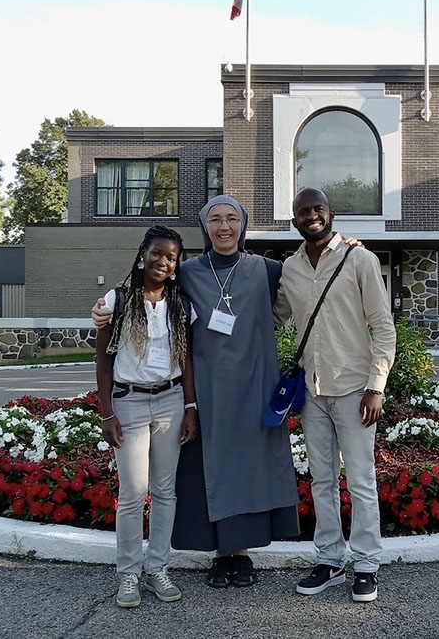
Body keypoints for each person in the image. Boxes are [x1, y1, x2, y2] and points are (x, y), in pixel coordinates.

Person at [93, 195, 300, 589]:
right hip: (202, 390)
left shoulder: (265, 269)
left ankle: (242, 554)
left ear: (243, 225)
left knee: (247, 468)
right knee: (209, 470)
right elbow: (144, 283)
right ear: (205, 227)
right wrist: (103, 311)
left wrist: (348, 244)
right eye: (216, 220)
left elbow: (309, 267)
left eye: (232, 219)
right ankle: (220, 554)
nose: (224, 227)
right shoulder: (187, 271)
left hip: (253, 387)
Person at [275, 187, 396, 603]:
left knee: (361, 479)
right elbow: (272, 316)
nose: (311, 216)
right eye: (303, 211)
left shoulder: (360, 259)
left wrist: (376, 386)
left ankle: (366, 564)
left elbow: (383, 327)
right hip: (311, 390)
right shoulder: (289, 268)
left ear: (331, 213)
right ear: (294, 220)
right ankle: (329, 560)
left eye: (318, 209)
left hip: (354, 390)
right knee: (321, 479)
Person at [95, 225, 199, 608]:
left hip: (170, 402)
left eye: (171, 257)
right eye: (157, 253)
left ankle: (157, 568)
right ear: (143, 254)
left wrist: (190, 407)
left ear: (176, 264)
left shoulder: (180, 304)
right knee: (133, 493)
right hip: (130, 403)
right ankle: (128, 574)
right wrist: (107, 413)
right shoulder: (118, 300)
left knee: (165, 491)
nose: (163, 261)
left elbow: (184, 360)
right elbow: (103, 361)